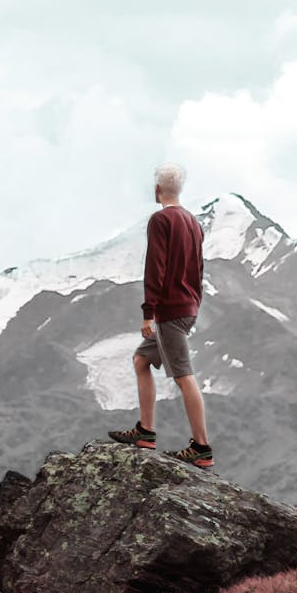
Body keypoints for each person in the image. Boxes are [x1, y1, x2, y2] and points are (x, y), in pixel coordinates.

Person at [108, 163, 213, 468]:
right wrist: (193, 303)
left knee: (183, 375)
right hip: (188, 306)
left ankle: (202, 447)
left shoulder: (160, 220)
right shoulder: (194, 222)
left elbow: (156, 267)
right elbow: (199, 268)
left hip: (170, 311)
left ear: (157, 190)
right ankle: (145, 431)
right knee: (142, 361)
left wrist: (148, 313)